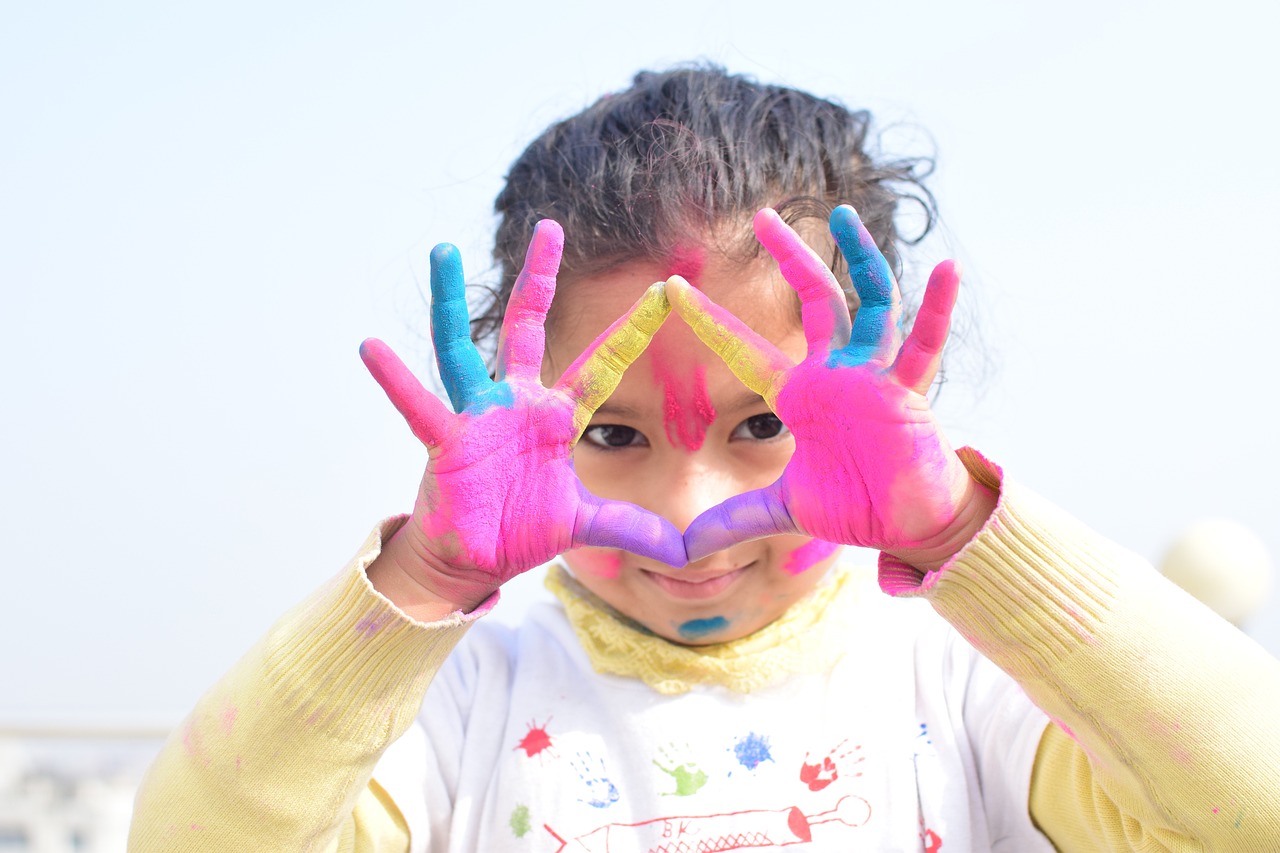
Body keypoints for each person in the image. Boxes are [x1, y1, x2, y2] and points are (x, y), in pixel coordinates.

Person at [128, 66, 1280, 851]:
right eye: (611, 435)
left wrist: (958, 534)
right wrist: (419, 583)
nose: (690, 514)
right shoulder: (458, 707)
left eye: (763, 423)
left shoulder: (962, 683)